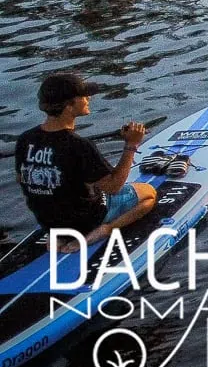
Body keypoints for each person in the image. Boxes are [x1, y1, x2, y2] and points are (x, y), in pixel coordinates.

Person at [14, 72, 157, 253]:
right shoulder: (79, 146)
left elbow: (22, 178)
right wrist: (131, 144)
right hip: (85, 222)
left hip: (48, 222)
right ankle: (105, 230)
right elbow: (114, 186)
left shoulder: (25, 139)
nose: (88, 98)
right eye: (83, 96)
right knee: (148, 194)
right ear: (69, 106)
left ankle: (57, 236)